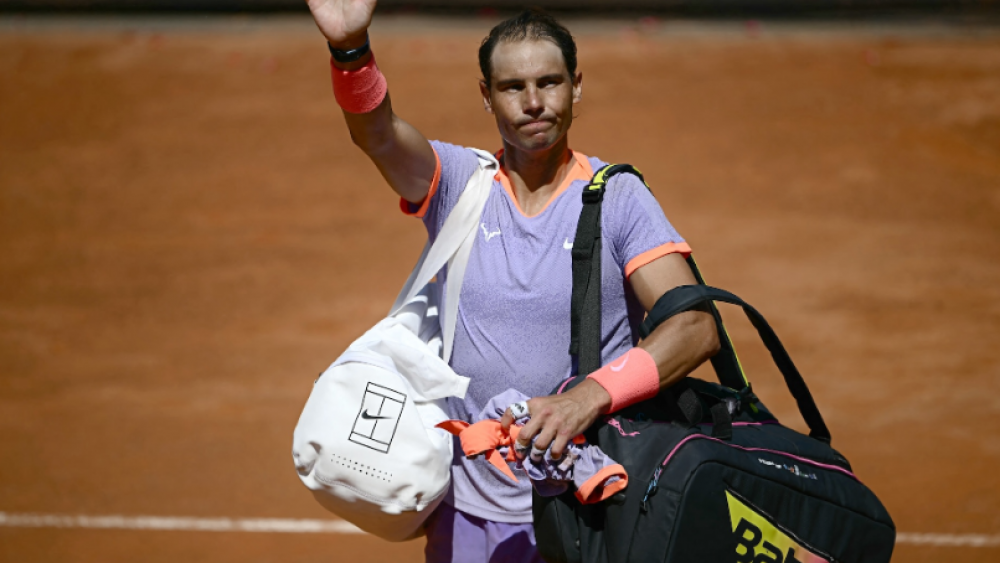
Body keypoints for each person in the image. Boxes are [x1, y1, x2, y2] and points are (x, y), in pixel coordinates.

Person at [304, 3, 721, 561]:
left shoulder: (618, 200)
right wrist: (350, 50)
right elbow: (377, 136)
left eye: (549, 82)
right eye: (512, 86)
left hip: (589, 512)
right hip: (468, 516)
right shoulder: (458, 184)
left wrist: (586, 400)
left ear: (576, 87)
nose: (532, 102)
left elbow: (694, 327)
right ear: (486, 95)